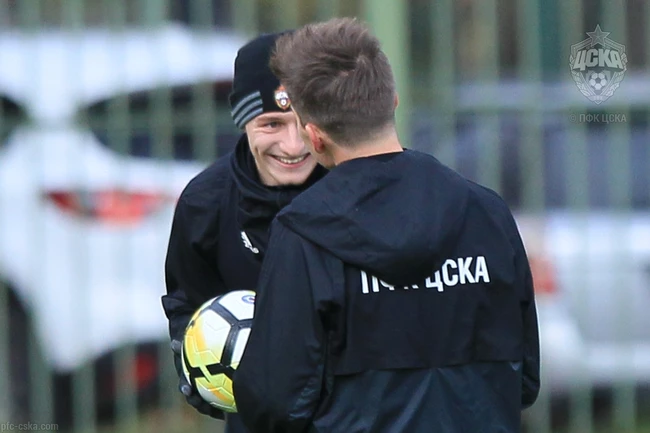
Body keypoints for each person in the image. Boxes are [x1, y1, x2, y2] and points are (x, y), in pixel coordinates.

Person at [233, 17, 541, 433]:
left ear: (314, 136)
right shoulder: (487, 212)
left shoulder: (303, 232)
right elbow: (524, 378)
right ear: (392, 102)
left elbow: (274, 400)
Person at [161, 31, 327, 433]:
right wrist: (194, 363)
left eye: (305, 123)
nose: (293, 145)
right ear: (243, 121)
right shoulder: (205, 203)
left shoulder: (356, 187)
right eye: (272, 124)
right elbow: (187, 303)